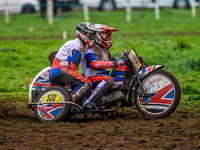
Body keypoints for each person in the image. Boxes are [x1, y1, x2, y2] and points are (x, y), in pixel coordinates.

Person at [49, 22, 101, 103]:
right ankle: (71, 103)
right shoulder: (78, 45)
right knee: (86, 83)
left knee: (68, 90)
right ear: (82, 34)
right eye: (90, 35)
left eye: (93, 36)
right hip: (60, 70)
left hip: (56, 70)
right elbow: (74, 66)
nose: (92, 38)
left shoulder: (74, 43)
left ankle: (64, 106)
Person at [81, 24, 125, 108]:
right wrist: (114, 63)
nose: (109, 39)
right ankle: (90, 102)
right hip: (91, 76)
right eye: (107, 36)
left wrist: (124, 61)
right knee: (109, 80)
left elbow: (114, 61)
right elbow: (95, 64)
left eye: (110, 37)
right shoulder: (90, 48)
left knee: (123, 70)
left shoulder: (105, 50)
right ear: (97, 36)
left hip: (102, 76)